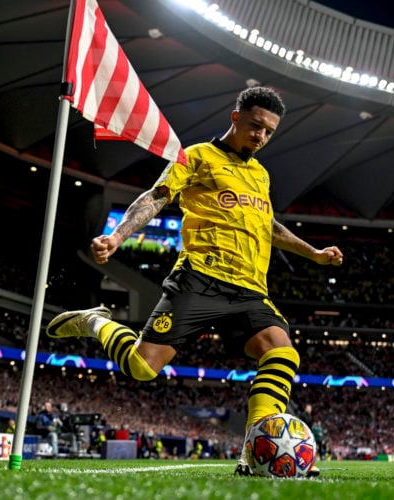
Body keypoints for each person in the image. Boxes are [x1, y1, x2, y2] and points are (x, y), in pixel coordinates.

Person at [47, 86, 343, 476]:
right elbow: (156, 196)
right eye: (255, 126)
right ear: (235, 118)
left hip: (249, 290)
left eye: (269, 132)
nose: (261, 137)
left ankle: (253, 452)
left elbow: (268, 226)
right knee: (141, 366)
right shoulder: (197, 156)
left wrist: (315, 254)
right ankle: (95, 321)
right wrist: (117, 236)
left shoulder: (260, 174)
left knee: (282, 352)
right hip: (200, 278)